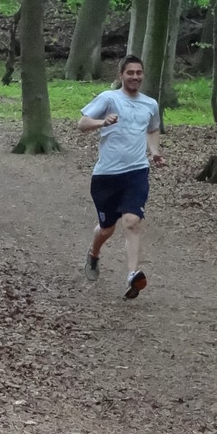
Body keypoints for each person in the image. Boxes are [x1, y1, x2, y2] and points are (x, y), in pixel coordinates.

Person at [78, 54, 166, 300]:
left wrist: (155, 152)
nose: (135, 77)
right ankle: (94, 253)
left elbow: (152, 129)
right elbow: (82, 124)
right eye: (130, 73)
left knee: (131, 221)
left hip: (136, 172)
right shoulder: (109, 98)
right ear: (121, 75)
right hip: (106, 175)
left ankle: (132, 274)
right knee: (107, 229)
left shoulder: (150, 104)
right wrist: (102, 122)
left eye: (139, 73)